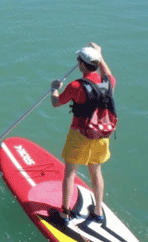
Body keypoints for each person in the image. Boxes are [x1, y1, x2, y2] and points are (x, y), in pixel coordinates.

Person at [49, 42, 115, 225]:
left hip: (80, 136)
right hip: (101, 137)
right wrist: (99, 54)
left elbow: (56, 103)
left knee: (70, 173)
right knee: (96, 172)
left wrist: (54, 88)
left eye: (79, 60)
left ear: (83, 65)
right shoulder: (108, 82)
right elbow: (107, 71)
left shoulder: (76, 86)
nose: (78, 62)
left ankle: (65, 214)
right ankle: (98, 211)